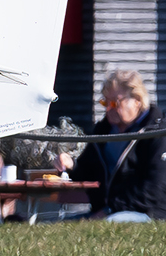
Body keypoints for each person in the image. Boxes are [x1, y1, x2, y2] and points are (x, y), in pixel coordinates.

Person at [71, 69, 166, 221]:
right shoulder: (103, 130)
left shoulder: (157, 132)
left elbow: (155, 187)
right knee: (61, 223)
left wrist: (110, 209)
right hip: (105, 211)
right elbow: (87, 173)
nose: (109, 108)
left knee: (110, 223)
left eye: (115, 103)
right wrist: (71, 165)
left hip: (148, 213)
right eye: (105, 102)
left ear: (137, 101)